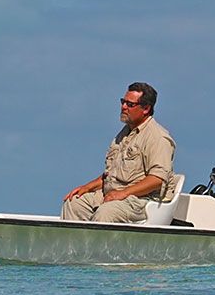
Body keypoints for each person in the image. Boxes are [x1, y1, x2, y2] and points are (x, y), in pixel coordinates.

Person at [61, 83, 176, 223]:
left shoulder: (158, 138)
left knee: (107, 212)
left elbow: (157, 180)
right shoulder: (124, 134)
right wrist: (87, 187)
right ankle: (74, 245)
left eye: (130, 104)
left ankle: (100, 245)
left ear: (146, 109)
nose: (124, 107)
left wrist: (122, 194)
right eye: (123, 102)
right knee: (74, 203)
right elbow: (111, 175)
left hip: (141, 200)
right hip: (113, 193)